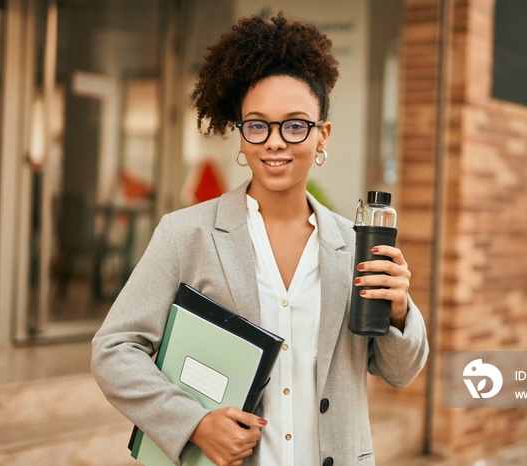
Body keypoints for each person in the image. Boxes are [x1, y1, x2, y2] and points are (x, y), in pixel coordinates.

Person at [91, 12, 429, 466]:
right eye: (258, 124)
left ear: (322, 135)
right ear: (241, 133)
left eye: (294, 125)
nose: (275, 142)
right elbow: (114, 350)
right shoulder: (185, 233)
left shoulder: (353, 246)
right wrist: (193, 423)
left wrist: (400, 311)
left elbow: (400, 372)